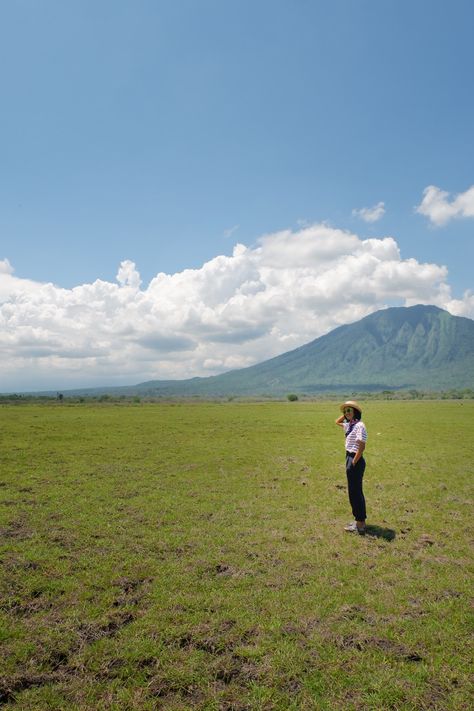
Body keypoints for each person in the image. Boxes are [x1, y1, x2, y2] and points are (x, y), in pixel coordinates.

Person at [335, 400, 368, 535]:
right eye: (345, 411)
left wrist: (354, 461)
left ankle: (360, 524)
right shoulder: (350, 425)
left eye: (350, 410)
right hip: (349, 457)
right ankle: (359, 521)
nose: (346, 413)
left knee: (355, 493)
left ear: (356, 412)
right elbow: (337, 422)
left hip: (355, 459)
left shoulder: (359, 425)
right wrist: (347, 414)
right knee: (353, 492)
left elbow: (362, 445)